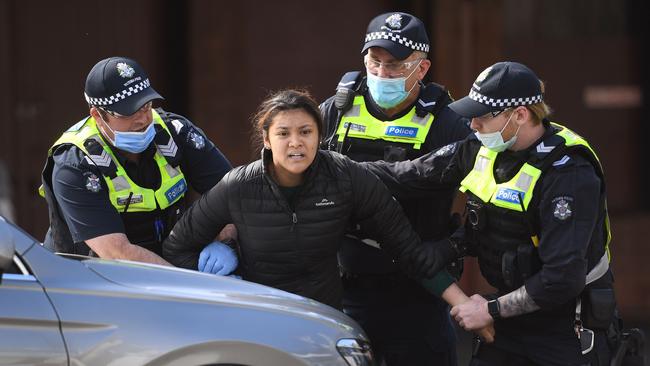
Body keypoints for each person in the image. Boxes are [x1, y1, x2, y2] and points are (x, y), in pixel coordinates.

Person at [163, 90, 494, 335]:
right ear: (266, 139)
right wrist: (227, 283)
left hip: (321, 326)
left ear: (320, 136)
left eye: (306, 132)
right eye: (283, 133)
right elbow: (177, 247)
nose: (296, 143)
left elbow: (407, 250)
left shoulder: (346, 176)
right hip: (255, 324)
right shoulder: (238, 185)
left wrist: (462, 302)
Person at [365, 61, 617, 365]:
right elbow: (405, 175)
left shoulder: (568, 174)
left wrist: (489, 309)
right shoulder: (481, 148)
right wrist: (331, 167)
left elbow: (562, 279)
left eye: (482, 116)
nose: (472, 125)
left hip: (564, 329)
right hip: (509, 322)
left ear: (520, 115)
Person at [319, 11, 472, 365]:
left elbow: (487, 199)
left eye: (396, 65)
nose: (382, 74)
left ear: (422, 68)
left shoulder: (447, 123)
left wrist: (451, 247)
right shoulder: (336, 111)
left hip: (417, 293)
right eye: (376, 61)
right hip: (345, 289)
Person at [40, 56, 233, 267]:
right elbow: (116, 252)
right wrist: (188, 286)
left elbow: (235, 196)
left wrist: (227, 242)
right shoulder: (75, 164)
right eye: (128, 112)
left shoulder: (175, 132)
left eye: (145, 105)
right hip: (91, 279)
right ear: (97, 115)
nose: (142, 119)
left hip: (166, 262)